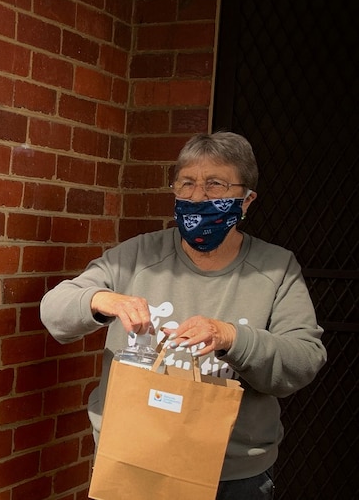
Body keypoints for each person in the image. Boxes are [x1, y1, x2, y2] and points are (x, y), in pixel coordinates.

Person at [40, 131, 326, 499]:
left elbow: (303, 359)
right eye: (186, 183)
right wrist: (101, 299)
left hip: (232, 475)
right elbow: (54, 309)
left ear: (247, 200)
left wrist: (232, 338)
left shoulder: (276, 269)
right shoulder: (138, 256)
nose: (197, 196)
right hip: (133, 459)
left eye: (215, 185)